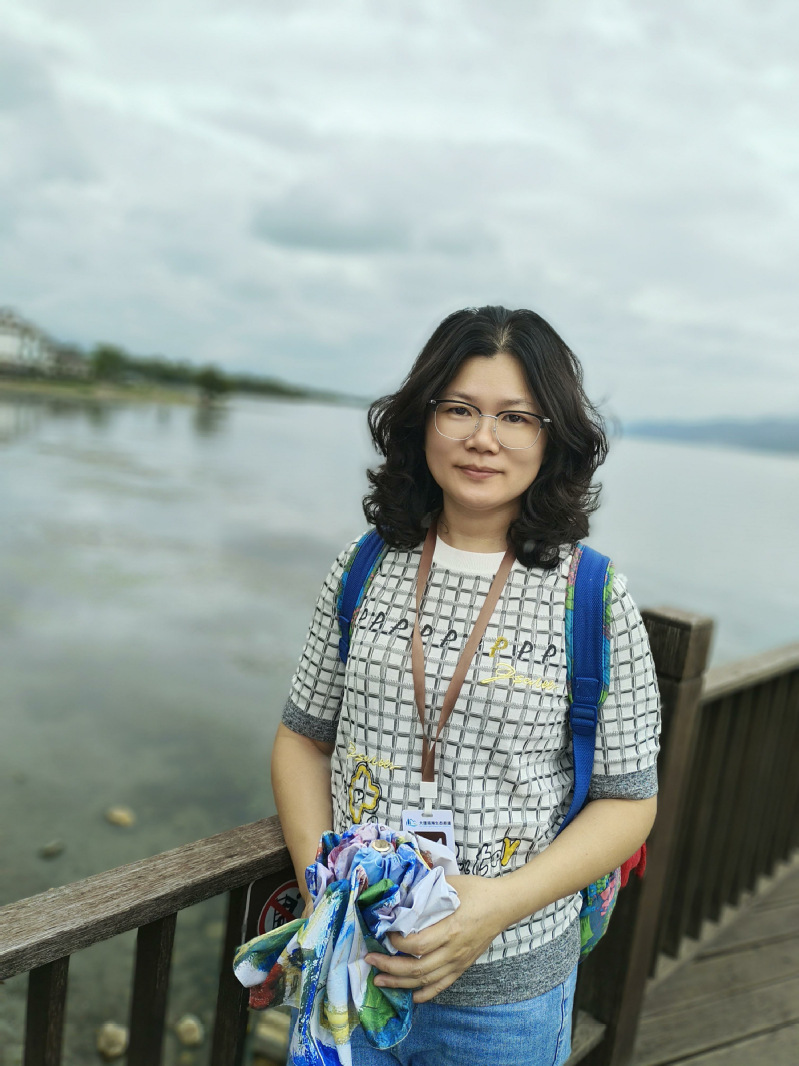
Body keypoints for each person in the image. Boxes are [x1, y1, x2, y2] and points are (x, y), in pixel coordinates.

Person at [271, 306, 660, 1066]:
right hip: (349, 963)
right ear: (422, 420)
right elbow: (301, 739)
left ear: (552, 438)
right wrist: (324, 892)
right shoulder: (364, 565)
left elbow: (628, 800)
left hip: (506, 997)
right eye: (459, 409)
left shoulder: (592, 595)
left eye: (515, 417)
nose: (484, 438)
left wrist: (497, 907)